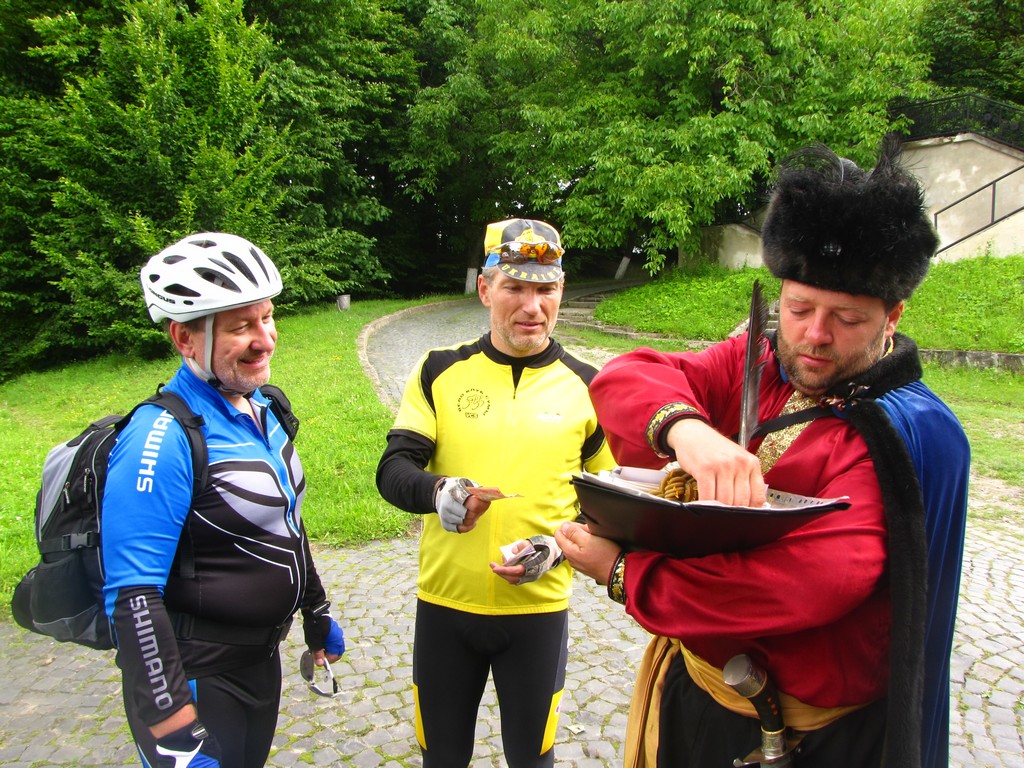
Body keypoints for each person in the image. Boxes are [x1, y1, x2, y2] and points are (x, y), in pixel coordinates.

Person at [556, 137, 970, 768]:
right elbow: (626, 377)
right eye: (798, 308)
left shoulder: (908, 433)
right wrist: (689, 432)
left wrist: (627, 574)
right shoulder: (760, 365)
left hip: (816, 741)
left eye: (847, 319)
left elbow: (816, 581)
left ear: (892, 316)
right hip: (696, 693)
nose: (814, 336)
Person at [376, 218, 617, 767]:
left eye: (546, 289)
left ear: (561, 290)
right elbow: (394, 468)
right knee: (442, 758)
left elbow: (610, 500)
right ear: (485, 289)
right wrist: (440, 491)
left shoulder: (589, 385)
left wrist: (557, 548)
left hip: (538, 611)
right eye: (515, 288)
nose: (532, 306)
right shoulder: (438, 370)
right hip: (446, 608)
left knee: (532, 760)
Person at [102, 233, 345, 768]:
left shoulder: (265, 408)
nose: (265, 339)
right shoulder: (160, 438)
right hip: (198, 678)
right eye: (241, 327)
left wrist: (316, 611)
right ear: (185, 338)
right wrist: (172, 730)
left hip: (261, 662)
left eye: (267, 317)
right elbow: (132, 597)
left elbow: (284, 520)